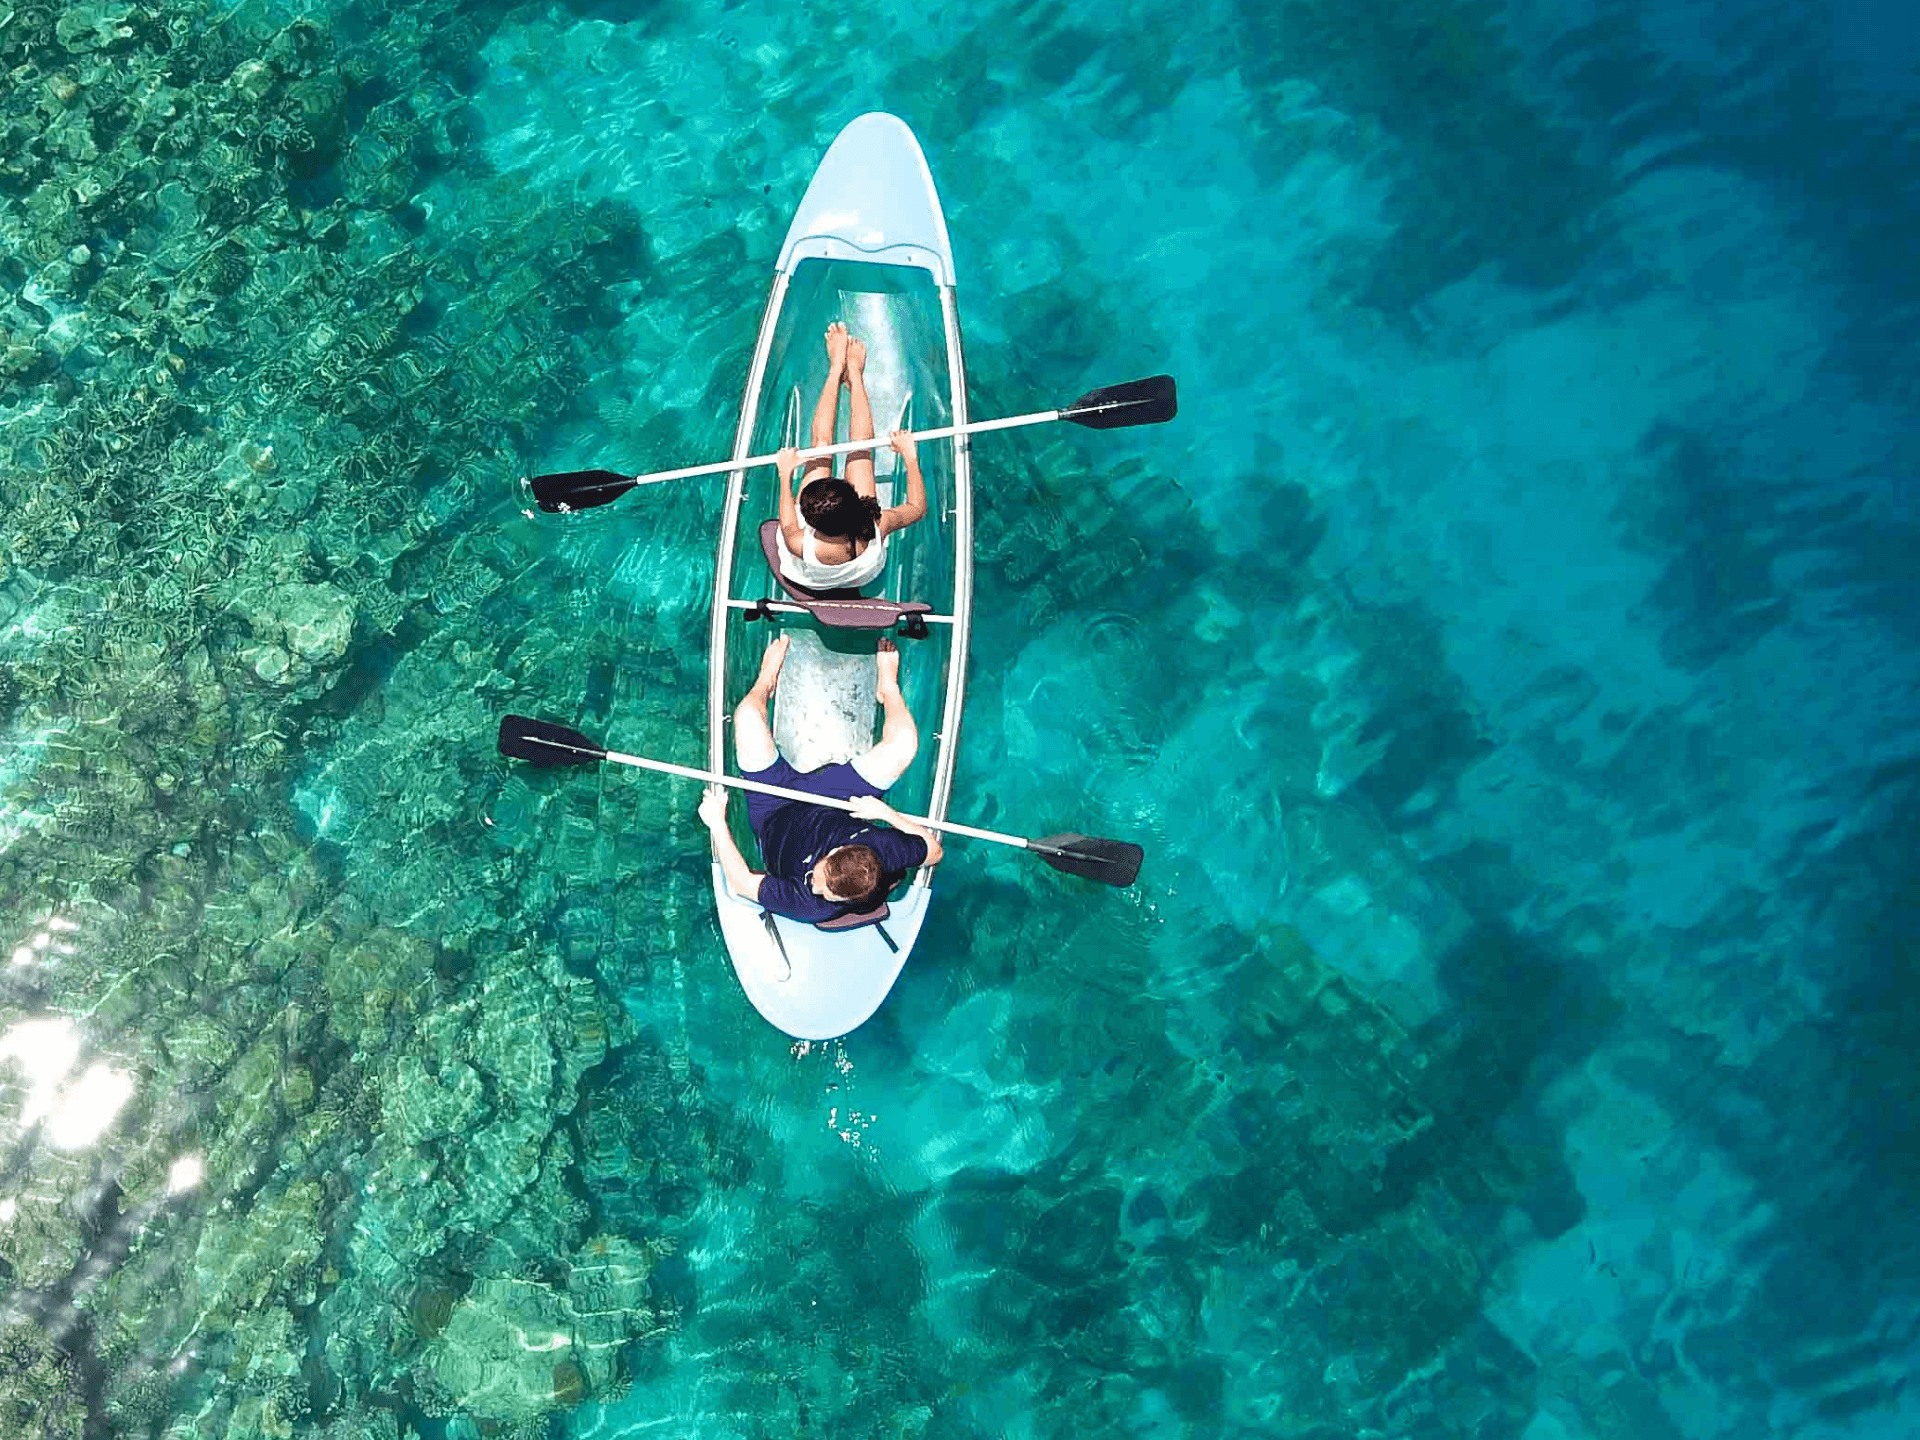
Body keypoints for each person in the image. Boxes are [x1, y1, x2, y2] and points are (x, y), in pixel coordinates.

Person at [698, 633, 943, 924]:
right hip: (835, 801)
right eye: (820, 875)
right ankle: (885, 689)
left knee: (747, 717)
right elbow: (934, 851)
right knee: (905, 743)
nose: (815, 885)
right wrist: (885, 813)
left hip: (774, 812)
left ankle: (765, 683)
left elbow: (741, 883)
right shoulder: (884, 849)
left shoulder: (810, 904)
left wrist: (717, 822)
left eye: (827, 893)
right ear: (840, 850)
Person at [774, 321, 928, 591]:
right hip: (862, 574)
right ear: (856, 504)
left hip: (812, 577)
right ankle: (854, 375)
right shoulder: (875, 525)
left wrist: (785, 476)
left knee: (821, 447)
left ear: (809, 521)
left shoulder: (799, 543)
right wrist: (910, 457)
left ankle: (836, 370)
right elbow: (916, 508)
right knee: (859, 449)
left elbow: (787, 523)